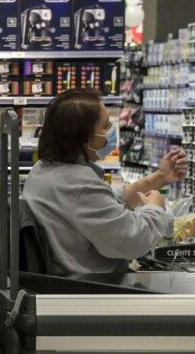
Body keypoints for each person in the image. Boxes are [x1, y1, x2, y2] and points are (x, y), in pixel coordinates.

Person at [23, 88, 186, 275]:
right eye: (105, 126)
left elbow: (108, 200)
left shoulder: (45, 169)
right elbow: (132, 240)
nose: (111, 132)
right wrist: (155, 209)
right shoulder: (80, 185)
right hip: (91, 284)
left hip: (68, 279)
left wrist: (160, 177)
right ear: (84, 136)